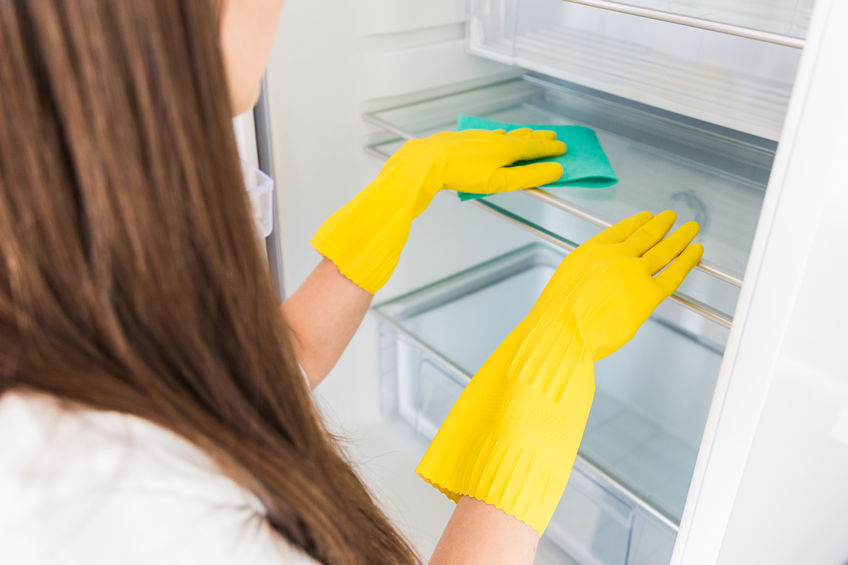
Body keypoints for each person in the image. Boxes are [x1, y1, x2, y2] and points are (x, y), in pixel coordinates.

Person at [0, 1, 703, 564]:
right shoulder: (101, 498)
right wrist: (551, 366)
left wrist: (404, 188)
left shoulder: (51, 275)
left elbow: (264, 372)